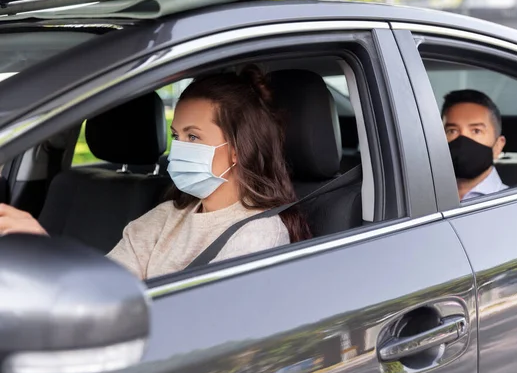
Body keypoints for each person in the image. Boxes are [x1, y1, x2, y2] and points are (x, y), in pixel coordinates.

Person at [0, 64, 311, 279]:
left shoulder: (257, 235)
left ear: (238, 149)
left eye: (194, 136)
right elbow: (107, 288)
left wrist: (47, 250)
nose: (179, 148)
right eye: (176, 136)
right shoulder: (165, 216)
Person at [442, 89, 508, 201]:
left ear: (498, 146)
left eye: (476, 131)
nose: (463, 139)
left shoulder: (516, 204)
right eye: (452, 131)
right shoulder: (417, 201)